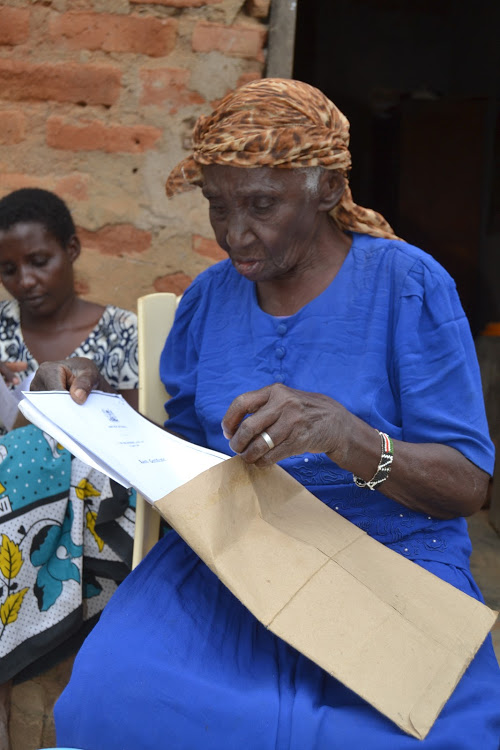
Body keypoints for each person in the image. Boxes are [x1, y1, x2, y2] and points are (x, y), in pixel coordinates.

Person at [33, 79, 499, 749]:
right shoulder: (207, 299)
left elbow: (468, 488)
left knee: (416, 732)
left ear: (328, 188)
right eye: (217, 205)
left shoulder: (408, 285)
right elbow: (189, 454)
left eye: (261, 204)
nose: (234, 232)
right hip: (230, 560)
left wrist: (351, 437)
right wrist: (101, 406)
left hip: (389, 557)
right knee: (109, 701)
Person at [0, 188, 138, 749]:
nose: (25, 280)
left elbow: (130, 432)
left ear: (73, 250)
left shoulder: (120, 331)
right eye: (8, 269)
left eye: (39, 261)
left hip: (90, 494)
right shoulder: (3, 333)